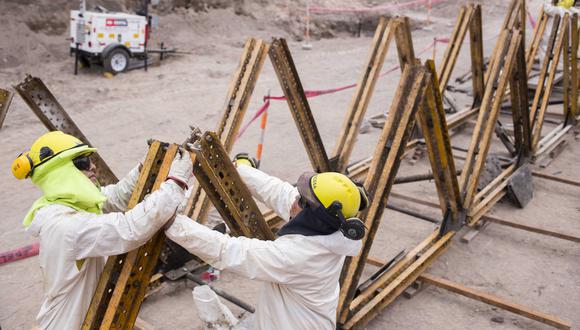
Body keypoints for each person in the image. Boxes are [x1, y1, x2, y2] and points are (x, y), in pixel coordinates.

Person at [11, 131, 193, 329]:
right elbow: (130, 228)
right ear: (59, 171)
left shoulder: (69, 205)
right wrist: (176, 182)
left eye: (90, 160)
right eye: (82, 163)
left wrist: (146, 167)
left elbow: (114, 198)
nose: (93, 166)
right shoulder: (65, 225)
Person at [165, 154, 369, 330]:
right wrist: (240, 170)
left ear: (313, 216)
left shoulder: (301, 256)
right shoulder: (329, 229)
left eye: (303, 200)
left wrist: (171, 220)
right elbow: (281, 193)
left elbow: (230, 251)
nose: (295, 200)